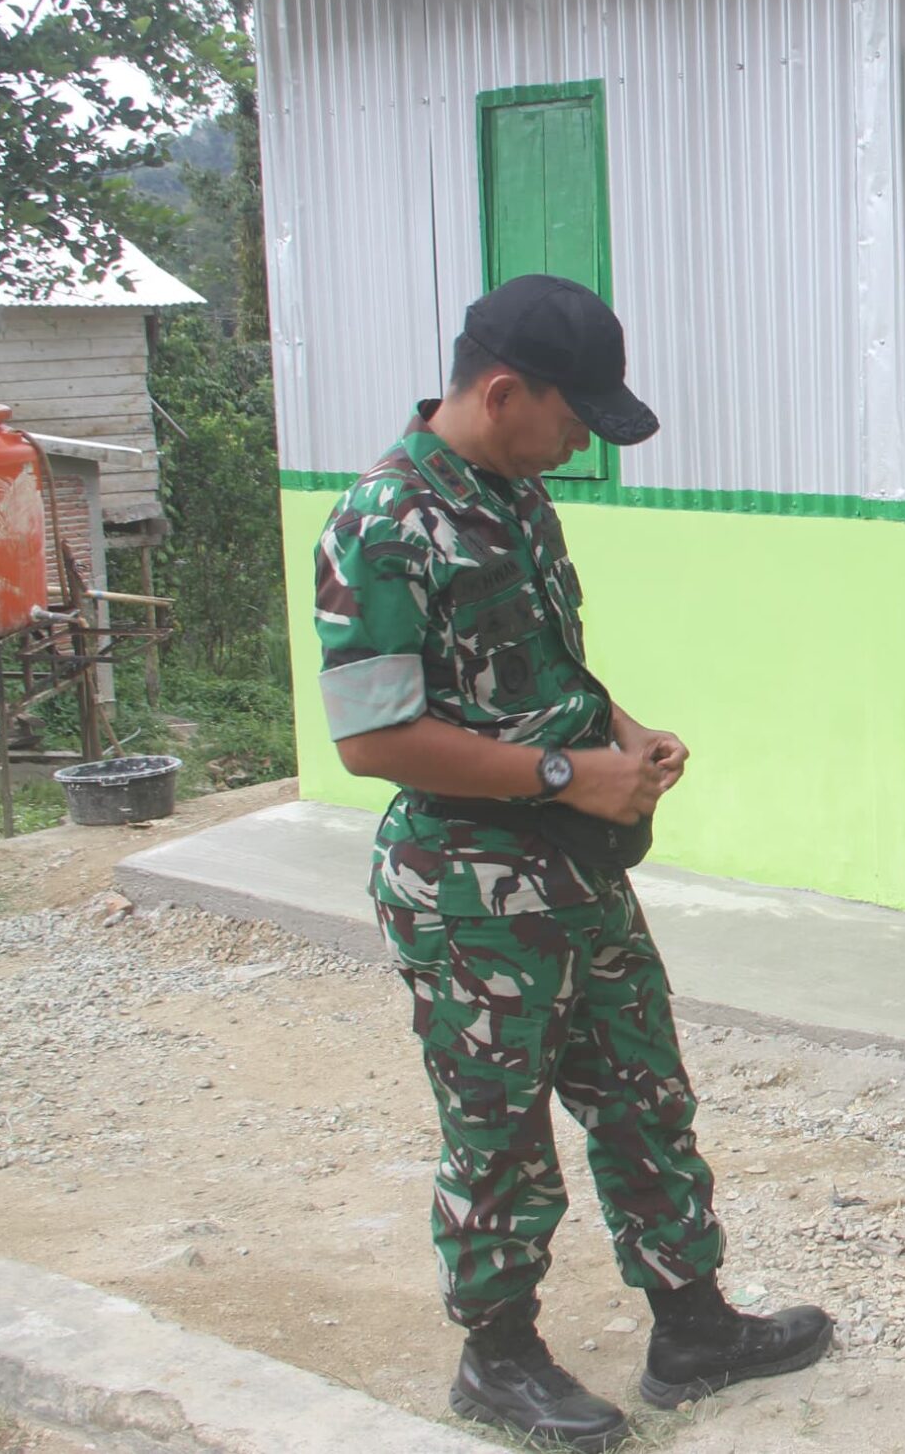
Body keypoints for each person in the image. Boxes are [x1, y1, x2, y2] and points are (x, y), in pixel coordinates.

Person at [314, 276, 831, 1452]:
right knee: (498, 1125)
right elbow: (372, 735)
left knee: (646, 1094)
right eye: (573, 417)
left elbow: (543, 674)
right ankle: (497, 1358)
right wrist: (563, 778)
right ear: (503, 392)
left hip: (577, 869)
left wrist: (621, 738)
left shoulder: (515, 498)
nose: (583, 441)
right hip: (468, 888)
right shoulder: (381, 524)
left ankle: (691, 1326)